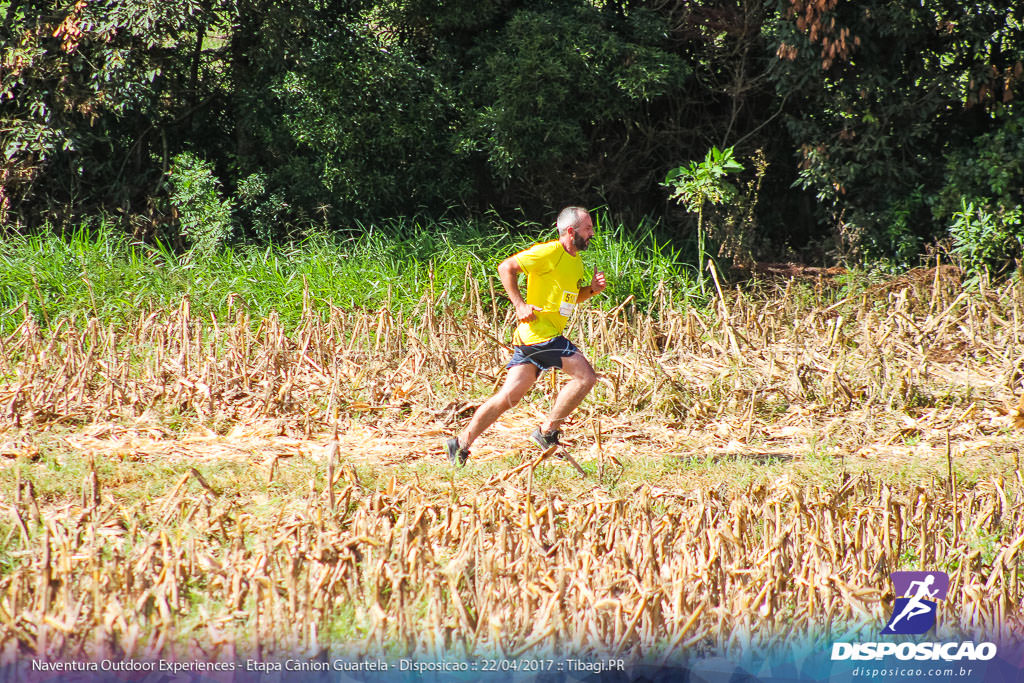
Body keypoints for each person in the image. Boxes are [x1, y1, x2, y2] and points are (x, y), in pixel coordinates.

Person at [445, 206, 607, 465]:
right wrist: (520, 305)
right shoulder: (548, 252)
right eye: (587, 228)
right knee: (585, 377)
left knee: (508, 397)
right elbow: (505, 267)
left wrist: (592, 290)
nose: (592, 233)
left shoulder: (575, 260)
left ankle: (460, 444)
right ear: (570, 231)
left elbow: (571, 297)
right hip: (540, 334)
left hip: (531, 338)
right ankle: (547, 432)